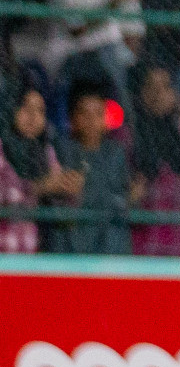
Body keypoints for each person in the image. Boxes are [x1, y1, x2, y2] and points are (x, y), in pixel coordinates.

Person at [48, 77, 136, 255]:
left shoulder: (115, 153)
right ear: (72, 117)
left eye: (97, 113)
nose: (91, 120)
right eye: (84, 113)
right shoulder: (62, 150)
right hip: (70, 243)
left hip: (110, 244)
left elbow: (122, 195)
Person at [129, 64, 180, 257]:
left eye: (165, 86)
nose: (159, 94)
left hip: (179, 256)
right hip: (142, 255)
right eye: (152, 87)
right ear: (140, 92)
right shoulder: (128, 137)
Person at [0, 84, 80, 253]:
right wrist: (39, 187)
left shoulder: (45, 152)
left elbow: (65, 218)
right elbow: (5, 196)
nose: (33, 116)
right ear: (10, 109)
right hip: (5, 256)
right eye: (25, 107)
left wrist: (69, 190)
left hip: (36, 259)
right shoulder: (2, 149)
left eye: (40, 110)